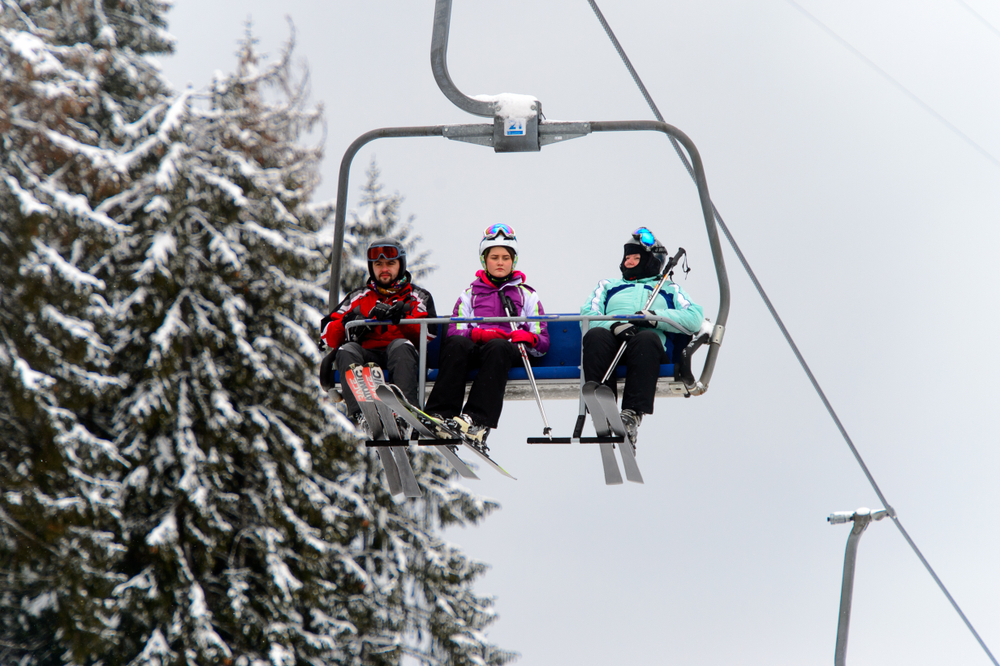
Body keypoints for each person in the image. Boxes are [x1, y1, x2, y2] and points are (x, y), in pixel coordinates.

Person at [424, 223, 549, 446]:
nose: (500, 262)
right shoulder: (470, 294)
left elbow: (542, 341)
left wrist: (529, 338)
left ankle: (476, 420)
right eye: (494, 257)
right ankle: (441, 414)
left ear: (513, 261)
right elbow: (455, 330)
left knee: (498, 347)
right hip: (475, 348)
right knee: (456, 345)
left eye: (505, 257)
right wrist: (480, 334)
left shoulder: (526, 294)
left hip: (504, 352)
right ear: (484, 260)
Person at [580, 227, 704, 449]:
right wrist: (615, 325)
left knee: (646, 339)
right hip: (612, 346)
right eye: (627, 257)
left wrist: (654, 318)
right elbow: (588, 315)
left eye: (636, 258)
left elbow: (694, 318)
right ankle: (602, 403)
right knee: (596, 335)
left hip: (647, 351)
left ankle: (631, 415)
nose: (628, 262)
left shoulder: (668, 288)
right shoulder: (608, 285)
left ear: (651, 262)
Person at [320, 238, 436, 432]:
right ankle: (363, 413)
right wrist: (349, 320)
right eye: (378, 264)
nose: (384, 269)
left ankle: (404, 413)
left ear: (401, 265)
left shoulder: (417, 297)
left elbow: (428, 335)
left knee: (401, 345)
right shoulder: (359, 297)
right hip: (368, 355)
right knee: (347, 350)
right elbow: (327, 335)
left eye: (390, 264)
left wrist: (401, 319)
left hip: (401, 355)